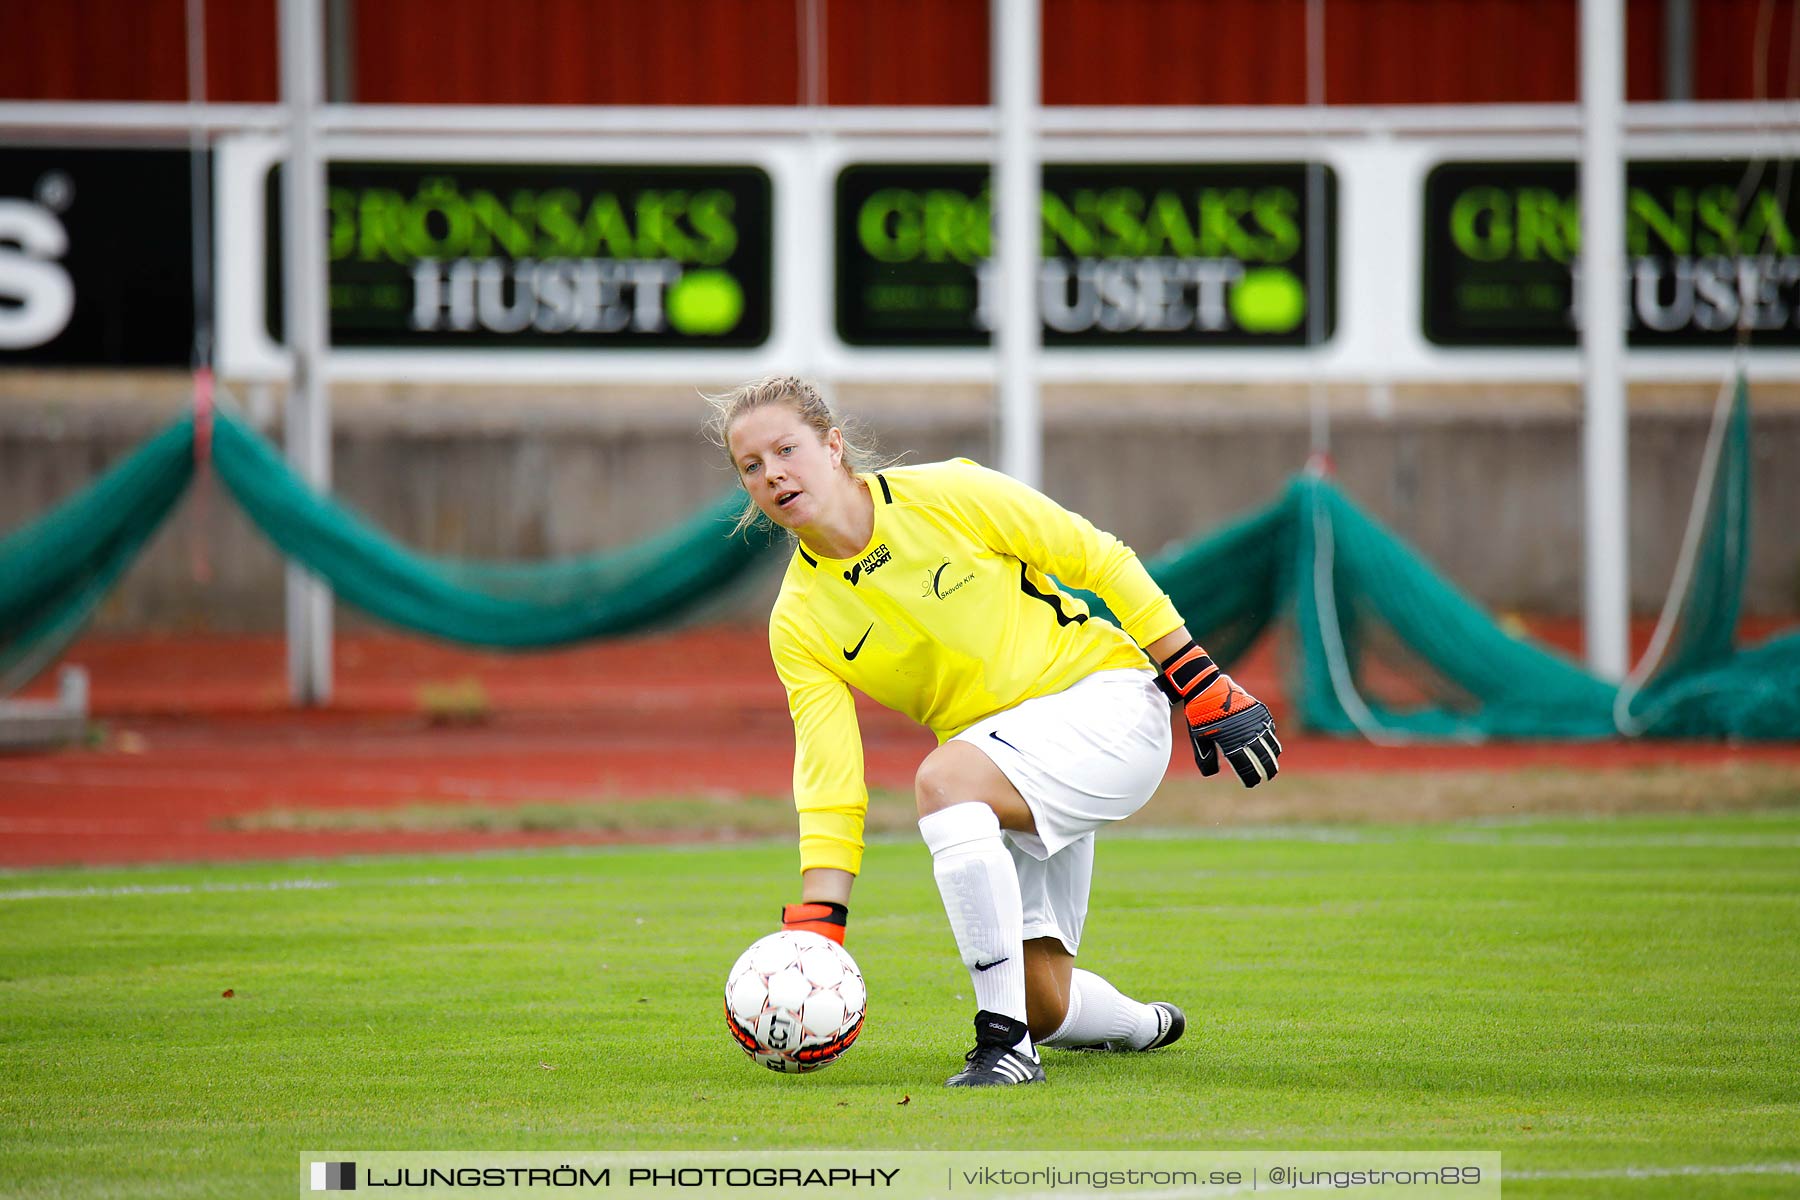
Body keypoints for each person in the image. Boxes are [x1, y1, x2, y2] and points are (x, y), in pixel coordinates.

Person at [707, 376, 1282, 1088]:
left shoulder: (947, 492)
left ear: (832, 446)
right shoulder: (798, 621)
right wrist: (820, 924)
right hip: (1007, 763)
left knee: (942, 781)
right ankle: (1137, 1025)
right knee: (1047, 1001)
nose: (773, 475)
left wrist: (1198, 678)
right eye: (752, 467)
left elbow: (1095, 555)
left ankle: (1003, 1044)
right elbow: (830, 776)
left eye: (785, 450)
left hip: (1104, 703)